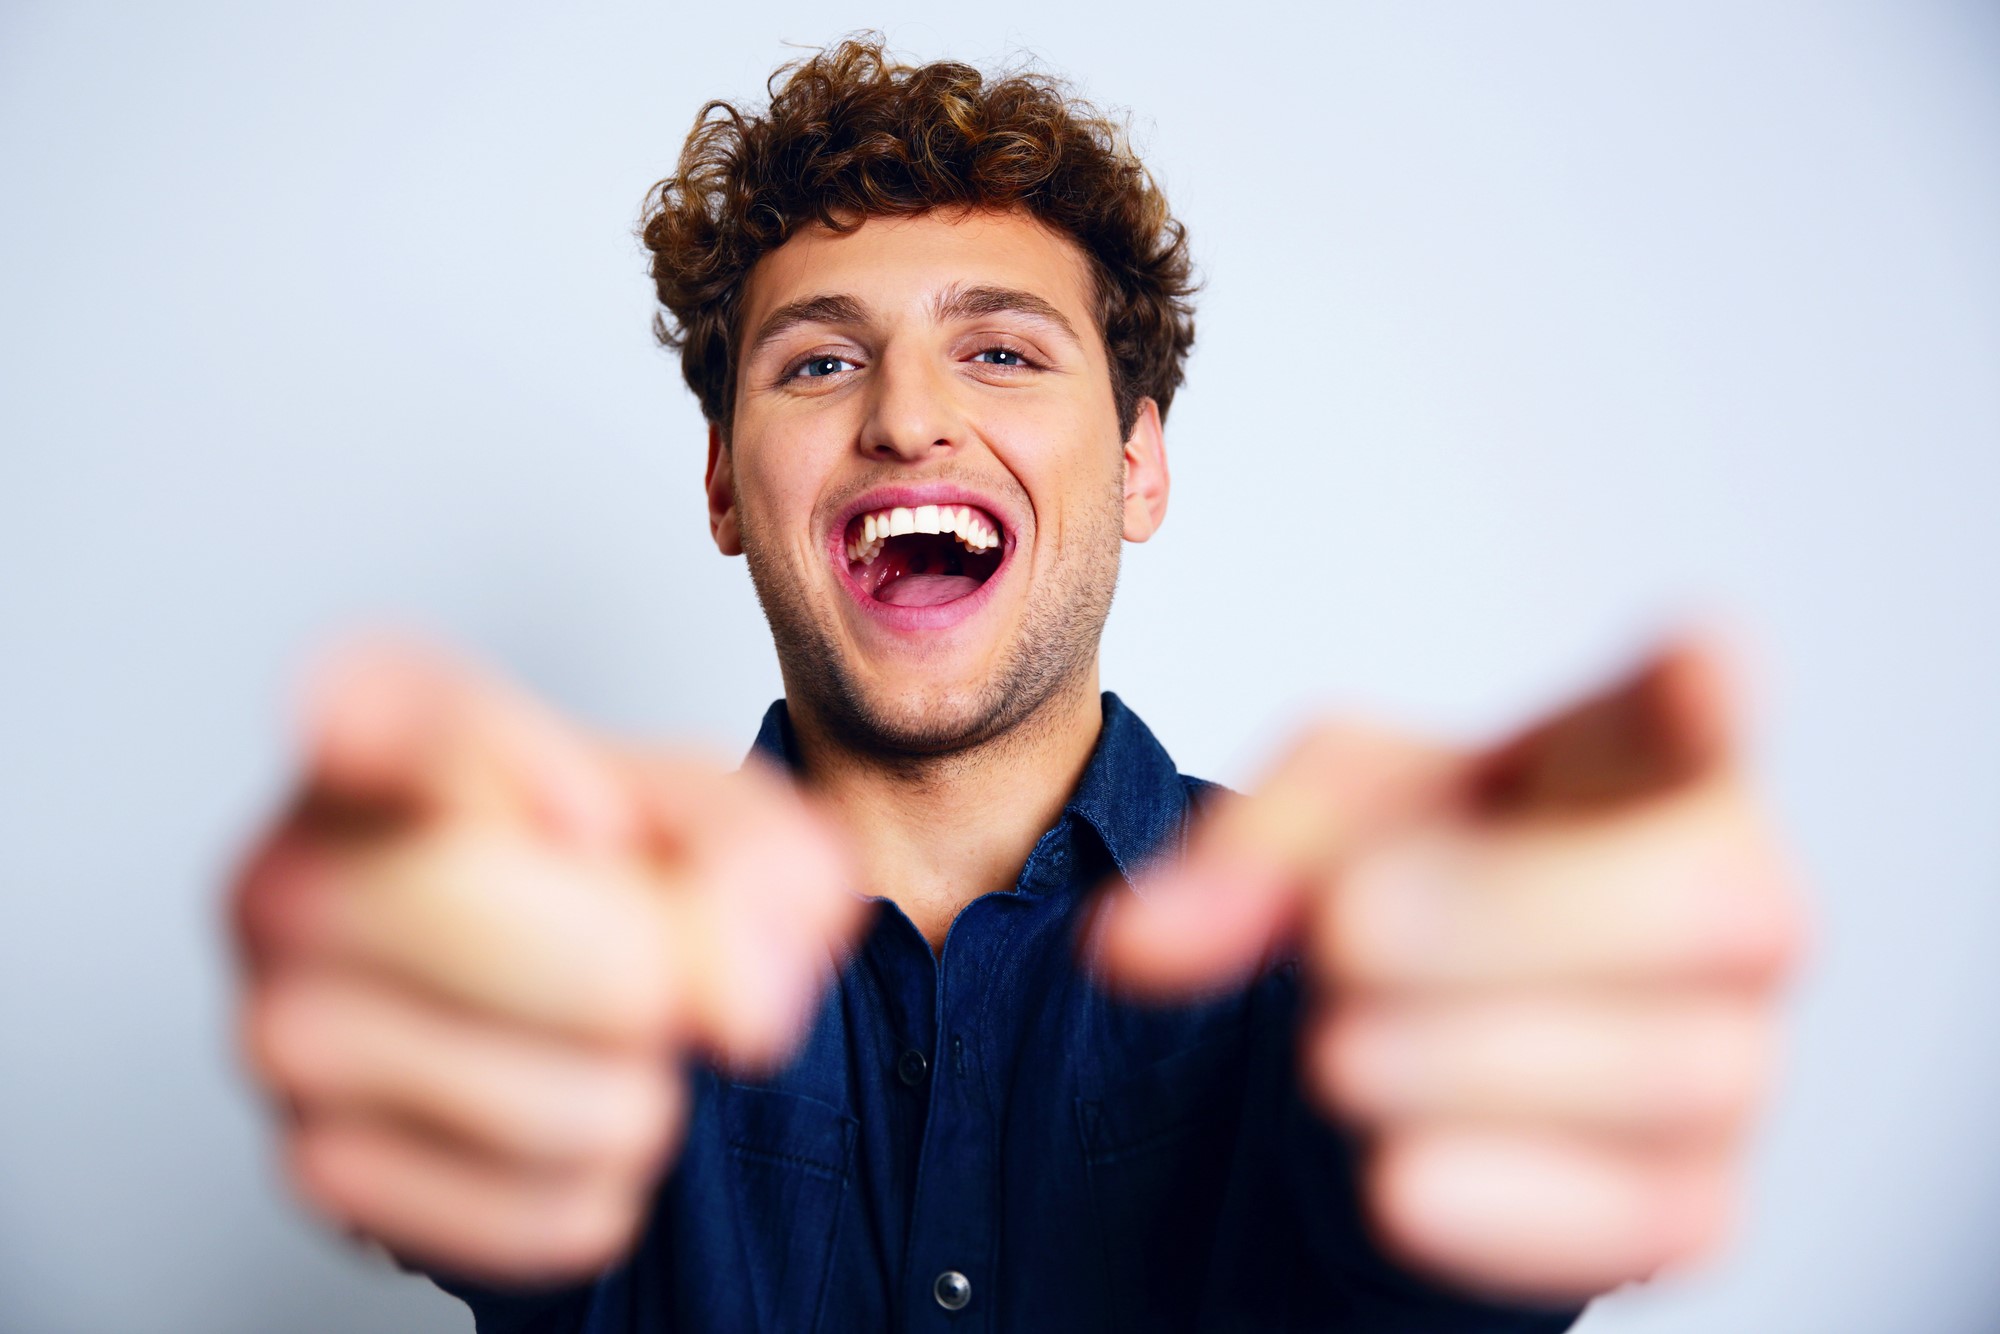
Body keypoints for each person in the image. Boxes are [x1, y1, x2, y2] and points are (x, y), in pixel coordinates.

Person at [229, 37, 1806, 1333]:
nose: (909, 417)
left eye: (1001, 352)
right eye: (819, 362)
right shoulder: (606, 962)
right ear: (723, 485)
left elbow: (1404, 1243)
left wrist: (1502, 1085)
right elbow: (503, 1138)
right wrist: (429, 985)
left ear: (1138, 464)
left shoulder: (1322, 971)